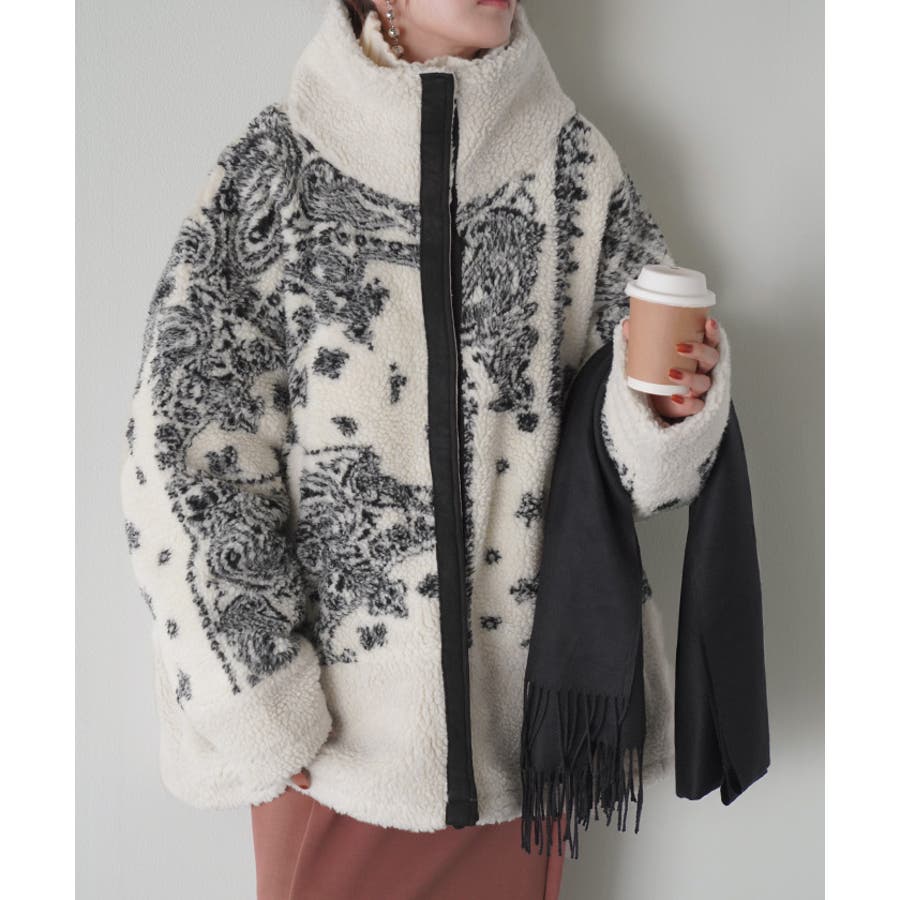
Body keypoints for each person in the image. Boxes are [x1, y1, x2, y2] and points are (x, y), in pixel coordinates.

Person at [119, 0, 730, 897]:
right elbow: (186, 447)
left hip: (520, 753)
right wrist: (266, 706)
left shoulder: (574, 166)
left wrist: (671, 409)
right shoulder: (278, 169)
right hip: (335, 759)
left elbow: (635, 469)